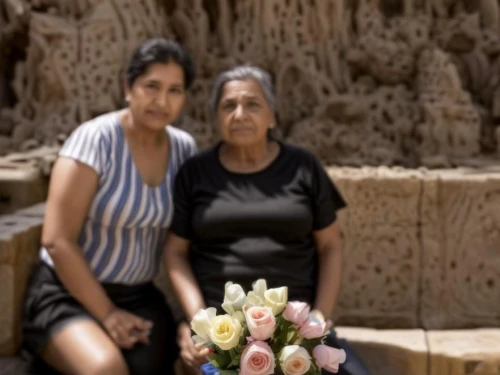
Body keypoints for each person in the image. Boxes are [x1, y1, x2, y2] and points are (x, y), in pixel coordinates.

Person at [164, 65, 371, 375]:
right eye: (228, 106)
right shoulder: (196, 173)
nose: (240, 114)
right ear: (217, 119)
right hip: (224, 331)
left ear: (272, 116)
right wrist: (198, 321)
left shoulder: (303, 167)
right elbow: (175, 252)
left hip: (296, 328)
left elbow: (330, 246)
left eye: (252, 104)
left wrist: (319, 317)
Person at [21, 38, 197, 375]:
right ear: (128, 87)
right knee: (106, 369)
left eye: (175, 90)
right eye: (151, 87)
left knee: (171, 362)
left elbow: (185, 241)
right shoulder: (95, 139)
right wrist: (107, 314)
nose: (162, 101)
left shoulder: (183, 149)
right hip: (67, 293)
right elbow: (57, 240)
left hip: (139, 297)